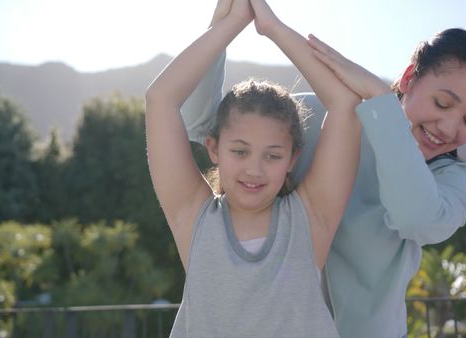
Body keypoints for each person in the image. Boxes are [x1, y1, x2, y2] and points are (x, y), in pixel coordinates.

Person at [181, 3, 466, 337]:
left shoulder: (453, 179)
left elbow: (415, 217)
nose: (450, 127)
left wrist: (382, 101)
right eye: (442, 103)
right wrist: (225, 21)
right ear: (410, 78)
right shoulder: (323, 119)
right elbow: (202, 125)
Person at [144, 0, 362, 336]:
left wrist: (271, 27)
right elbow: (160, 98)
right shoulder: (194, 218)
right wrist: (233, 21)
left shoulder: (310, 219)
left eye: (273, 156)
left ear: (292, 160)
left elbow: (345, 103)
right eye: (240, 151)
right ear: (214, 148)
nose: (254, 169)